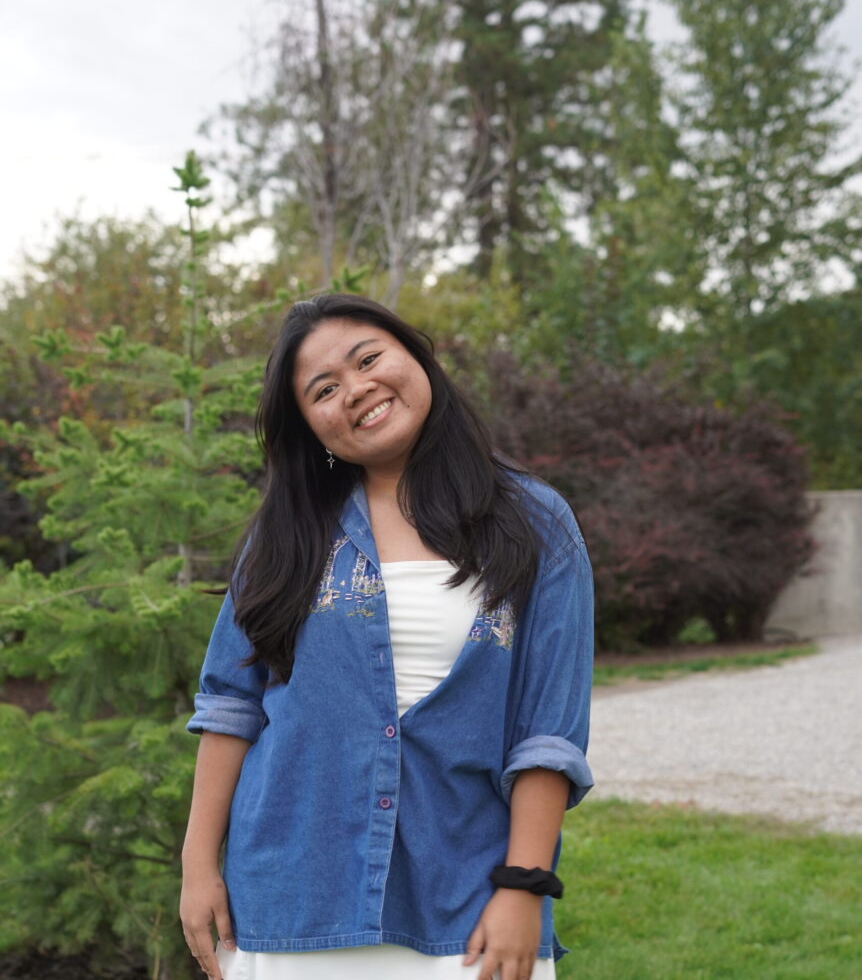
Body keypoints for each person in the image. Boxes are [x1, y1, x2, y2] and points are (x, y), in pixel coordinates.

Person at [179, 293, 594, 980]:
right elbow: (231, 701)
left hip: (469, 906)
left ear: (416, 357)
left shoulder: (534, 524)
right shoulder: (287, 534)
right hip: (292, 904)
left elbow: (548, 728)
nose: (357, 390)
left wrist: (524, 885)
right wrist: (199, 867)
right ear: (310, 427)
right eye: (324, 390)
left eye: (368, 359)